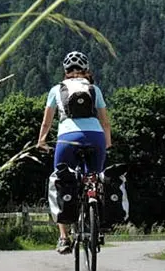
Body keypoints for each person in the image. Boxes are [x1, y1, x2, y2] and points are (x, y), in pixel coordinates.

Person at [37, 50, 112, 254]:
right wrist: (106, 144)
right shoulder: (94, 89)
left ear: (65, 71)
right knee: (96, 178)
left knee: (61, 182)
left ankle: (64, 238)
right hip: (95, 137)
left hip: (68, 139)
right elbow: (105, 122)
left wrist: (41, 141)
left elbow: (46, 122)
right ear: (86, 70)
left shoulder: (56, 89)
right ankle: (99, 219)